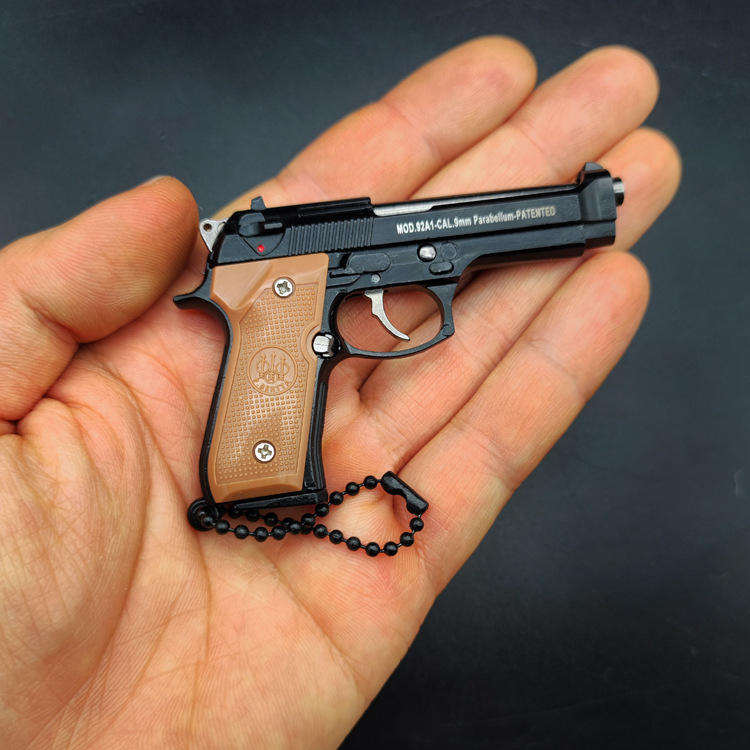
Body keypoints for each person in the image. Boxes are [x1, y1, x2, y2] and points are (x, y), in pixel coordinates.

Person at [0, 37, 680, 748]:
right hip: (284, 277)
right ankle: (258, 478)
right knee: (276, 387)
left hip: (285, 271)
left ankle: (258, 479)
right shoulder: (283, 271)